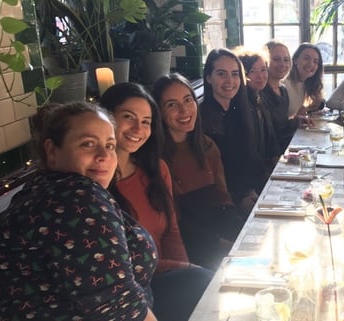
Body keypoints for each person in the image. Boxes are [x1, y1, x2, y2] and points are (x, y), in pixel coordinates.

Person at [0, 102, 158, 321]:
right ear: (52, 151)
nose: (104, 155)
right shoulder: (76, 198)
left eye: (110, 146)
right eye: (88, 144)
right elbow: (120, 310)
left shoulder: (49, 187)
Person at [100, 82, 213, 321]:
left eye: (146, 121)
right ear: (106, 119)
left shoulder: (156, 169)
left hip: (164, 280)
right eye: (128, 117)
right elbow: (120, 265)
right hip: (131, 293)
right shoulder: (96, 184)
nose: (137, 128)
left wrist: (184, 272)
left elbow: (171, 232)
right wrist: (186, 272)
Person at [153, 73, 244, 270]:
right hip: (191, 250)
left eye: (188, 100)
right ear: (158, 112)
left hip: (220, 236)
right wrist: (220, 245)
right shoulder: (155, 160)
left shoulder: (206, 145)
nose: (184, 110)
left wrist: (242, 232)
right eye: (172, 105)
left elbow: (223, 199)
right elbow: (175, 224)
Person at [200, 48, 263, 215]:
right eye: (221, 74)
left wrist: (254, 190)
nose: (230, 80)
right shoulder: (200, 118)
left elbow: (250, 158)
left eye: (235, 74)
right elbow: (211, 177)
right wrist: (240, 198)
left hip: (249, 192)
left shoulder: (242, 110)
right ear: (208, 77)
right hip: (222, 206)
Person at [235, 47, 282, 176]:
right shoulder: (241, 104)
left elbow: (271, 137)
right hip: (251, 177)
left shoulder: (261, 97)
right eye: (252, 71)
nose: (260, 76)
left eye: (263, 70)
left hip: (265, 169)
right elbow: (248, 152)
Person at [262, 40, 304, 152]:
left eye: (286, 60)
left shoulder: (283, 90)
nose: (282, 64)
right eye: (276, 59)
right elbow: (270, 135)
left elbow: (282, 126)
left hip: (284, 149)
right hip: (272, 156)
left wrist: (298, 120)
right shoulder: (261, 92)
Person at [284, 42, 325, 118]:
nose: (311, 64)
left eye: (315, 62)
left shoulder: (303, 83)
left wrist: (309, 112)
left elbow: (295, 114)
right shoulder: (285, 84)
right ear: (295, 60)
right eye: (306, 58)